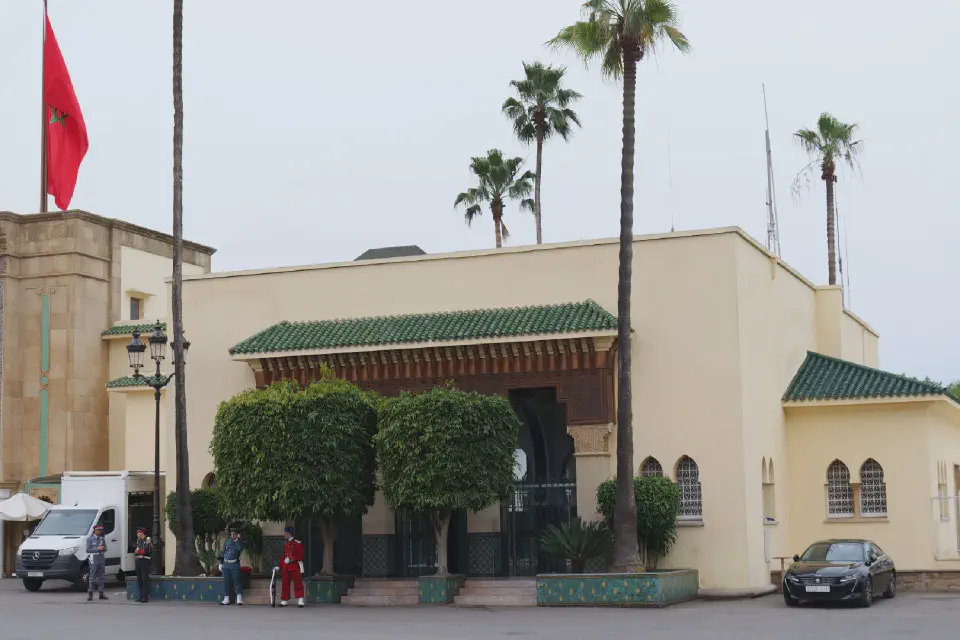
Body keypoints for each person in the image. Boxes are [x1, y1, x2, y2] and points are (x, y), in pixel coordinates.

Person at [277, 525, 305, 608]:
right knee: (285, 583)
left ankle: (300, 599)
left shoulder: (297, 543)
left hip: (295, 565)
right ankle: (284, 600)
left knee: (297, 582)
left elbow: (300, 555)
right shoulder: (286, 544)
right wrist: (279, 566)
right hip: (286, 566)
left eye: (286, 533)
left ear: (290, 534)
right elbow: (283, 556)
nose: (284, 535)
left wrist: (292, 559)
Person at [218, 528, 244, 606]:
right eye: (231, 534)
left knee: (237, 582)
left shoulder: (239, 542)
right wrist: (221, 563)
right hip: (226, 565)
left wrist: (237, 540)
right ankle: (226, 599)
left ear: (237, 535)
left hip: (234, 565)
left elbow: (239, 548)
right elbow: (223, 552)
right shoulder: (227, 541)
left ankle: (239, 599)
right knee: (226, 582)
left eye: (234, 534)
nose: (232, 536)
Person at [85, 524, 107, 601]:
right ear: (94, 530)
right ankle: (90, 593)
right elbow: (88, 550)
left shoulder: (102, 539)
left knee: (101, 576)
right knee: (92, 576)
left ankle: (101, 593)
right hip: (93, 558)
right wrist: (97, 549)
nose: (99, 531)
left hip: (101, 558)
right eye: (98, 530)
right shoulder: (90, 539)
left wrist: (103, 548)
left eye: (100, 530)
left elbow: (105, 548)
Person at [131, 527, 153, 603]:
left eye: (138, 533)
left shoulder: (148, 540)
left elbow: (148, 551)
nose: (137, 534)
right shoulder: (139, 541)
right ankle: (141, 596)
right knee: (139, 579)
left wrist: (139, 551)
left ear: (142, 533)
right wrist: (138, 551)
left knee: (144, 579)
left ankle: (145, 597)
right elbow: (135, 552)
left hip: (145, 560)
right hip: (138, 560)